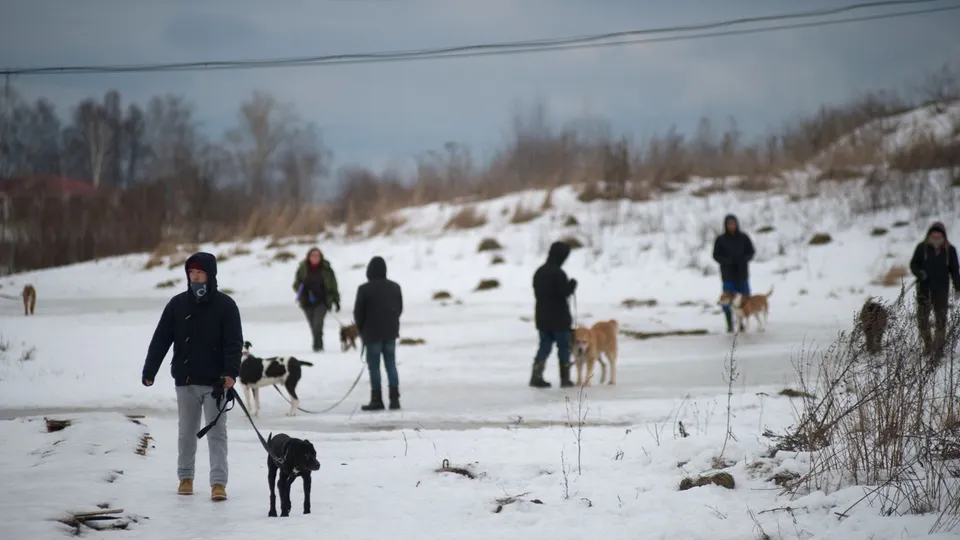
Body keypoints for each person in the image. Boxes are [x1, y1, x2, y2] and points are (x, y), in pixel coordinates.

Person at [141, 252, 243, 501]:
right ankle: (185, 478)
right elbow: (161, 339)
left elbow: (233, 343)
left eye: (200, 272)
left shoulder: (226, 305)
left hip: (216, 383)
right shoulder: (177, 305)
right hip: (186, 380)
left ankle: (218, 483)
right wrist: (150, 371)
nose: (195, 277)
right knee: (186, 432)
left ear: (210, 275)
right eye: (191, 273)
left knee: (217, 434)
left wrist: (231, 373)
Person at [353, 256, 403, 411]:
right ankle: (394, 399)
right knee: (391, 365)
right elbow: (399, 308)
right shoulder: (395, 287)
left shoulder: (364, 289)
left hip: (372, 333)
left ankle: (377, 399)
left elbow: (358, 313)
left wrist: (361, 329)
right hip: (390, 332)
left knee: (374, 367)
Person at [909, 222, 960, 359]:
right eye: (934, 234)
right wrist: (920, 273)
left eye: (939, 234)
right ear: (929, 234)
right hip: (923, 289)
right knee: (922, 320)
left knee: (941, 320)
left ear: (943, 235)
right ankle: (928, 345)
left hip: (941, 290)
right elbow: (913, 264)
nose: (936, 236)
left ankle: (938, 349)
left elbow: (955, 270)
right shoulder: (921, 248)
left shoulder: (950, 250)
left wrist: (957, 287)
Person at [530, 241, 578, 389]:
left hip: (542, 317)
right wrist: (572, 285)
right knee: (563, 347)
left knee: (544, 345)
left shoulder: (539, 272)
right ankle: (565, 379)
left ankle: (536, 376)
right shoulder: (559, 273)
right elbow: (564, 293)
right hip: (559, 318)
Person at [712, 214, 756, 333]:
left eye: (733, 223)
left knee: (744, 298)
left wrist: (744, 259)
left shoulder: (743, 238)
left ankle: (741, 323)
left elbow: (751, 252)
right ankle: (729, 324)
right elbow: (715, 255)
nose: (731, 226)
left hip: (742, 273)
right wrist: (725, 261)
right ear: (725, 225)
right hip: (728, 274)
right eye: (729, 224)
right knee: (727, 300)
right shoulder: (720, 239)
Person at [293, 247, 341, 352]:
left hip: (322, 301)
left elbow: (334, 285)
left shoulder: (327, 269)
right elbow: (296, 284)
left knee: (317, 324)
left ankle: (318, 347)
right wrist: (302, 288)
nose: (315, 257)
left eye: (317, 255)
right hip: (306, 302)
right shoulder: (302, 269)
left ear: (321, 257)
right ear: (309, 257)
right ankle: (318, 345)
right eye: (313, 255)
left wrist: (336, 300)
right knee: (313, 326)